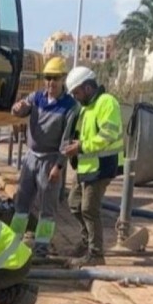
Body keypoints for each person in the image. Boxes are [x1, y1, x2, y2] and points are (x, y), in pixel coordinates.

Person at [9, 56, 77, 257]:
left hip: (50, 160)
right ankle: (13, 241)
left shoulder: (69, 107)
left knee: (47, 209)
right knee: (22, 202)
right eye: (48, 78)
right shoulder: (36, 97)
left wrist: (59, 166)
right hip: (31, 158)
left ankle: (41, 247)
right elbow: (19, 111)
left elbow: (67, 140)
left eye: (55, 78)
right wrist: (16, 108)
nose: (51, 83)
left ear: (63, 79)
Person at [60, 66, 123, 268]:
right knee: (74, 203)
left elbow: (108, 135)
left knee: (89, 208)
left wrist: (80, 146)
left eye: (77, 92)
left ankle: (96, 254)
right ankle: (87, 243)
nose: (76, 97)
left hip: (102, 166)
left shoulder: (107, 103)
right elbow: (81, 135)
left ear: (87, 88)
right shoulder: (87, 108)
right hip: (87, 168)